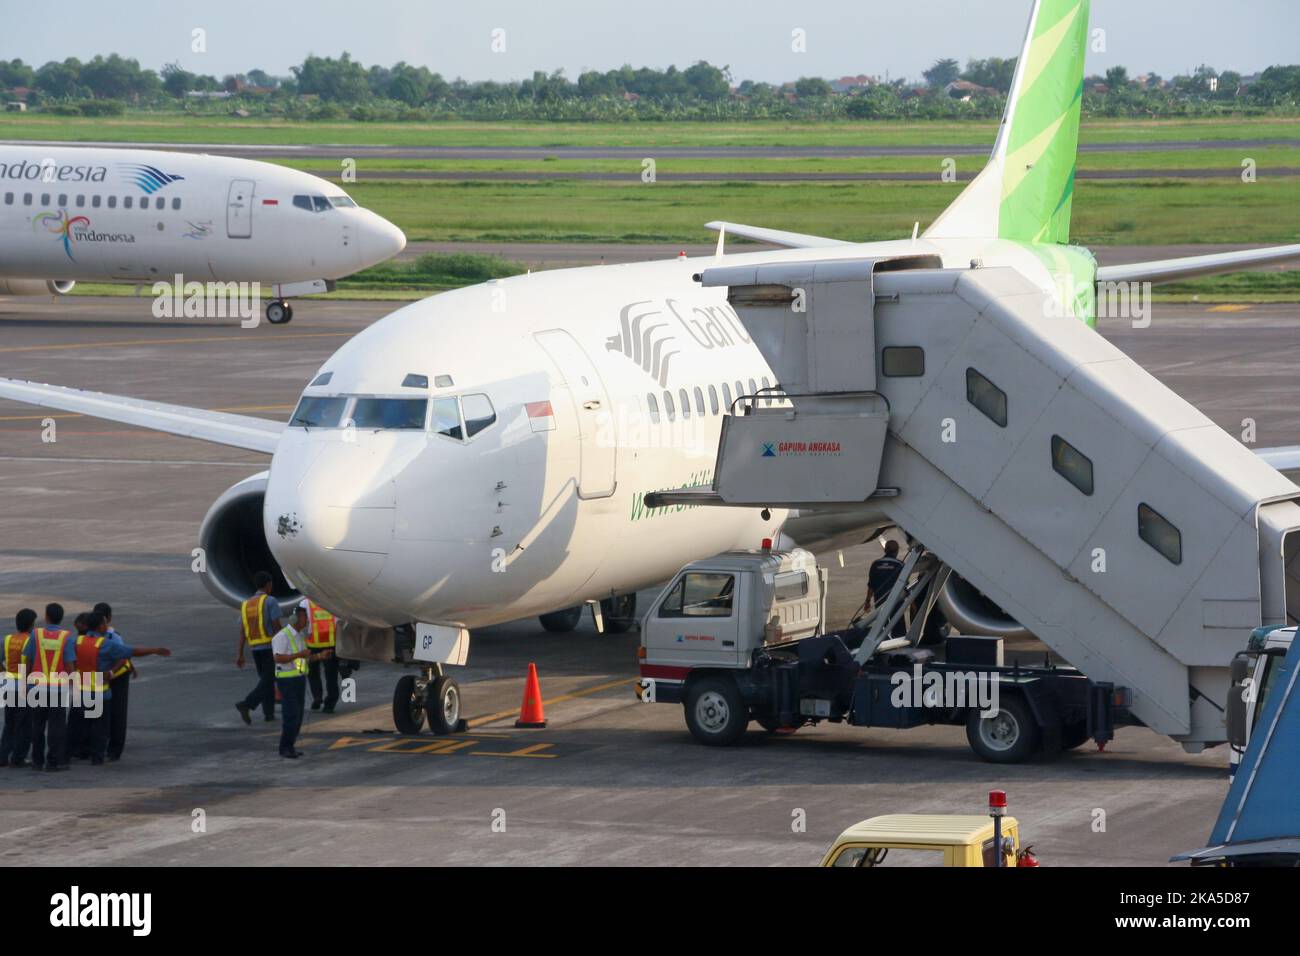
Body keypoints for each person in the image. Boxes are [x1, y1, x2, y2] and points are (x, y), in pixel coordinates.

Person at [67, 611, 171, 765]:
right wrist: (155, 650)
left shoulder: (76, 642)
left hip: (81, 691)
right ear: (100, 626)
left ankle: (74, 753)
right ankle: (97, 757)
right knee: (100, 726)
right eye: (104, 623)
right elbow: (132, 652)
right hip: (100, 693)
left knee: (80, 724)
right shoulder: (106, 645)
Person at [273, 601, 332, 759]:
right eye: (305, 618)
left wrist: (319, 656)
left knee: (298, 715)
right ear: (295, 619)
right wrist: (299, 655)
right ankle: (284, 747)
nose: (307, 621)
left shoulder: (300, 636)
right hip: (287, 681)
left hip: (299, 679)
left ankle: (290, 746)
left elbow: (305, 659)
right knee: (291, 715)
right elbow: (278, 658)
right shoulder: (282, 636)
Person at [23, 603, 75, 772]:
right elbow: (68, 665)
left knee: (37, 725)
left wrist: (26, 682)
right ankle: (53, 762)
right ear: (61, 618)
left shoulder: (36, 635)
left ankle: (37, 761)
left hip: (36, 687)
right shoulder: (67, 637)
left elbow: (28, 660)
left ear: (46, 617)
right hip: (58, 690)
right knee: (56, 727)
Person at [235, 572, 282, 725]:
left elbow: (243, 632)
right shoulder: (270, 601)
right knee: (269, 680)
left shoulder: (246, 604)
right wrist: (285, 641)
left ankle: (269, 714)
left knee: (265, 681)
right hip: (269, 647)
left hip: (255, 649)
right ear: (268, 585)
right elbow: (276, 625)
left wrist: (240, 654)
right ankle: (247, 704)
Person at [95, 602, 135, 761]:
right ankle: (101, 746)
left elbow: (124, 655)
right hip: (102, 676)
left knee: (117, 712)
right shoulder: (93, 636)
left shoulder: (113, 636)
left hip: (117, 676)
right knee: (102, 712)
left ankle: (114, 749)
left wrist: (112, 672)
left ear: (108, 620)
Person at [0, 608, 36, 768]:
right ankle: (18, 758)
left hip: (9, 685)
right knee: (24, 724)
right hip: (24, 687)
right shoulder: (31, 641)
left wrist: (4, 673)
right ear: (31, 624)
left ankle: (3, 756)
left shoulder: (7, 640)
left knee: (10, 723)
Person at [867, 540, 908, 638]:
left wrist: (867, 601)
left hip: (880, 602)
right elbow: (905, 587)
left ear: (885, 550)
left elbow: (871, 586)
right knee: (898, 629)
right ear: (897, 551)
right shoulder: (900, 565)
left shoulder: (875, 564)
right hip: (896, 602)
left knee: (881, 628)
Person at [305, 600, 340, 713]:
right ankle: (330, 703)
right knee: (331, 675)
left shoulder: (305, 603)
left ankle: (317, 696)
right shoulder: (333, 600)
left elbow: (301, 623)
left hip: (313, 644)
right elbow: (340, 621)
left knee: (312, 672)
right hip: (331, 643)